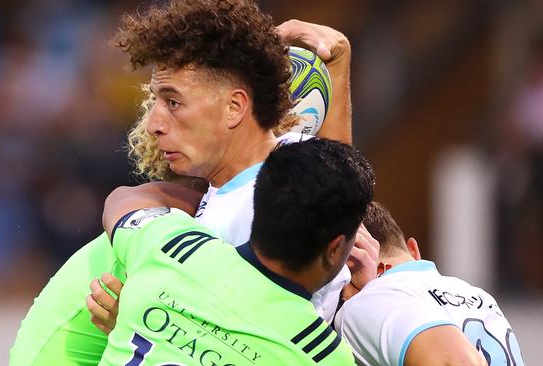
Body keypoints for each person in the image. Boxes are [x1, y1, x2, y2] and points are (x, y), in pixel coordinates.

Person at [88, 0, 373, 337]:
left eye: (173, 102)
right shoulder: (291, 163)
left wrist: (135, 324)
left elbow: (236, 346)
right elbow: (335, 170)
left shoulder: (262, 210)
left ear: (235, 107)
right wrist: (338, 62)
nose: (153, 124)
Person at [99, 138, 373, 365]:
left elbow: (121, 199)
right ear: (335, 249)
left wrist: (139, 297)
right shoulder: (320, 354)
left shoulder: (174, 247)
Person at [334, 202, 526, 366]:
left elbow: (456, 361)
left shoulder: (371, 300)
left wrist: (365, 298)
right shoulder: (479, 296)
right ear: (413, 250)